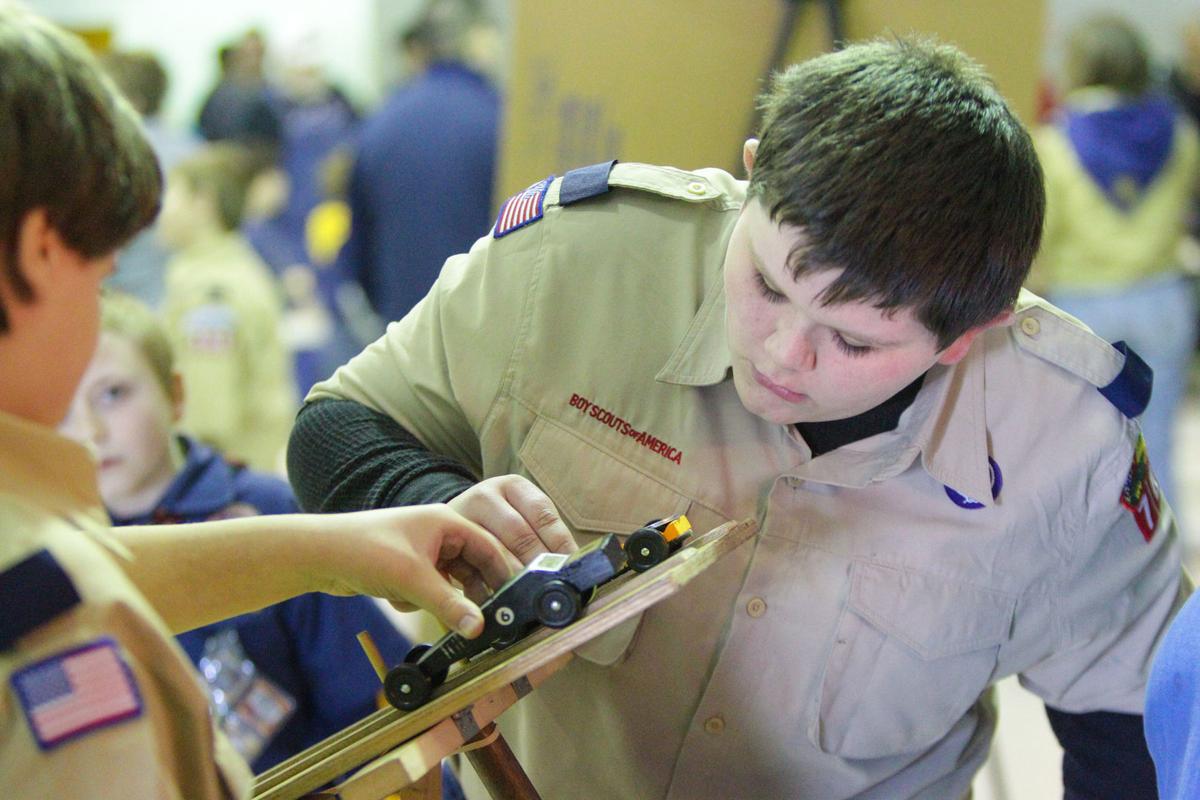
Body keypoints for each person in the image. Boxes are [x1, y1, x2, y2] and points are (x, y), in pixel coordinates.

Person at [289, 36, 1189, 799]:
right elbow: (336, 426)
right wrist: (438, 505)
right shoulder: (575, 263)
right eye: (765, 283)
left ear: (967, 337)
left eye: (852, 342)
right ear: (752, 173)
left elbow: (1130, 720)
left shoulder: (1065, 444)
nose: (782, 354)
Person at [0, 6, 515, 796]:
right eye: (99, 279)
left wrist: (336, 550)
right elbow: (58, 586)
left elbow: (90, 567)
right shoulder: (51, 635)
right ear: (41, 248)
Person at [1028, 15, 1200, 541]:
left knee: (1083, 441)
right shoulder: (1182, 135)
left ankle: (1096, 544)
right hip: (1165, 298)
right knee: (1160, 431)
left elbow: (1041, 236)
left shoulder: (1052, 145)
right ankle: (1165, 540)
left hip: (1085, 307)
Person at [338, 0, 500, 324]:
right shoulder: (505, 123)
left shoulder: (379, 124)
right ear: (479, 42)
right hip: (492, 336)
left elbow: (358, 256)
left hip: (405, 338)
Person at [159, 143, 297, 473]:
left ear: (202, 202)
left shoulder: (211, 292)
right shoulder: (234, 269)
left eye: (171, 196)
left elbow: (208, 416)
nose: (161, 211)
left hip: (221, 482)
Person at [99, 49, 198, 309]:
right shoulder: (191, 147)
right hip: (177, 298)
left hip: (124, 300)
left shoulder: (115, 152)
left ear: (133, 101)